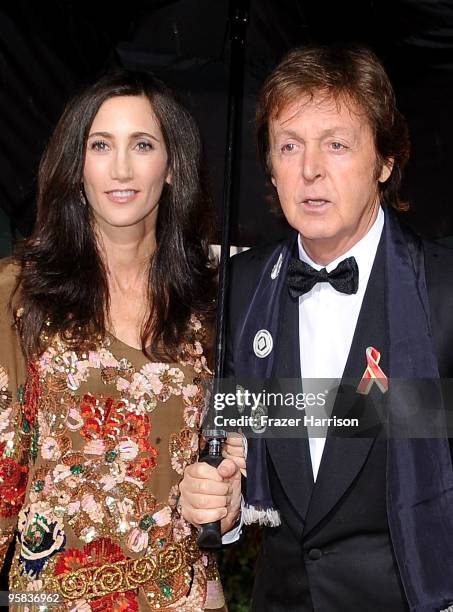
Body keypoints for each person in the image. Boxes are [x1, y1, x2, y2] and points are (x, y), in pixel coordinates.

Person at [179, 45, 453, 611]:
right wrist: (223, 499)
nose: (310, 170)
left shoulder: (443, 291)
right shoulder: (241, 287)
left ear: (384, 161)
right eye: (289, 146)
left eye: (336, 144)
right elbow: (234, 433)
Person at [0, 70, 241, 611]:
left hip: (186, 595)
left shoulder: (214, 301)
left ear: (174, 165)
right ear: (76, 164)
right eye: (101, 145)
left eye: (143, 145)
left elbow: (239, 451)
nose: (122, 168)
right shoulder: (18, 294)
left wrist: (230, 498)